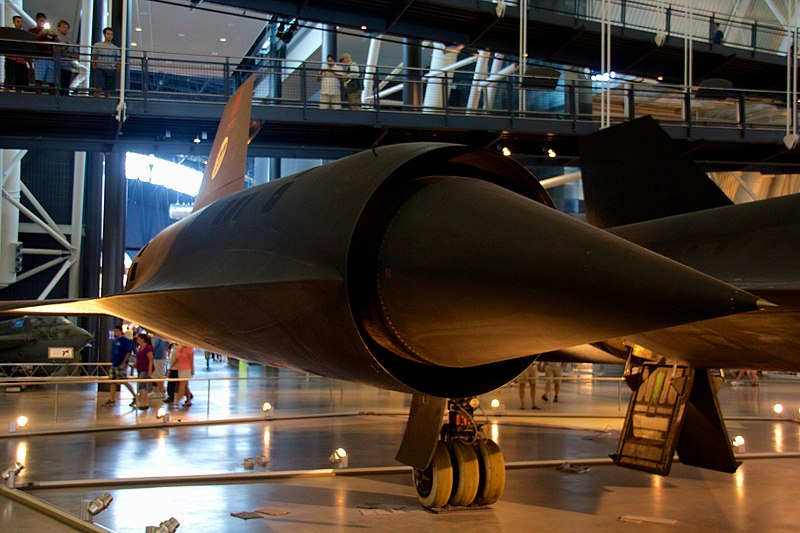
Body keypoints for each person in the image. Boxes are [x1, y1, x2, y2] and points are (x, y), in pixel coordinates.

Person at [104, 325, 137, 406]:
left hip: (121, 364)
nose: (115, 332)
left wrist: (123, 362)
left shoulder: (125, 340)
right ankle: (111, 398)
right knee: (112, 381)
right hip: (114, 363)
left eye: (116, 331)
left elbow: (128, 352)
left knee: (124, 381)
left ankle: (135, 396)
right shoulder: (115, 340)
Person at [29, 12, 59, 94]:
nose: (42, 23)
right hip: (40, 57)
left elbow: (57, 43)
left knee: (51, 81)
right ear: (37, 21)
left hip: (50, 58)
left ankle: (52, 97)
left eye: (44, 21)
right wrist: (42, 32)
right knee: (39, 79)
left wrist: (54, 35)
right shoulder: (32, 31)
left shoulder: (50, 33)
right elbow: (33, 40)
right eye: (41, 21)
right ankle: (38, 95)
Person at [3, 16, 30, 93]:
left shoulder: (24, 35)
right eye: (18, 21)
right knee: (8, 82)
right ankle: (4, 99)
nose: (20, 23)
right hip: (11, 60)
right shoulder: (9, 34)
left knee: (20, 84)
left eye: (21, 22)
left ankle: (19, 100)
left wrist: (29, 64)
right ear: (14, 22)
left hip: (22, 61)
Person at [92, 27, 119, 97]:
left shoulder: (116, 48)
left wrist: (117, 69)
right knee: (98, 87)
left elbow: (118, 60)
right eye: (108, 34)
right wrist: (94, 66)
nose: (110, 36)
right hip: (100, 68)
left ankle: (106, 104)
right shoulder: (97, 45)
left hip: (111, 69)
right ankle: (95, 103)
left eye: (111, 34)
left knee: (108, 90)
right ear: (104, 35)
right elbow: (94, 57)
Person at [55, 20, 76, 96]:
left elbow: (76, 54)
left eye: (67, 27)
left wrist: (68, 54)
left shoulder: (71, 41)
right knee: (57, 84)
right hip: (57, 66)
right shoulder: (55, 38)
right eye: (63, 27)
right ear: (59, 28)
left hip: (67, 67)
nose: (65, 29)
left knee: (65, 86)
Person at [133, 333, 154, 409]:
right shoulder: (140, 348)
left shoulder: (148, 348)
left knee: (142, 386)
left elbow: (150, 359)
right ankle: (145, 402)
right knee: (142, 386)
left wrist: (150, 370)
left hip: (145, 369)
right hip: (140, 368)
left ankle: (143, 403)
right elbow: (138, 358)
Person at [150, 335, 168, 399]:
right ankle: (156, 391)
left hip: (158, 358)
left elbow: (153, 346)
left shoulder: (159, 337)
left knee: (158, 376)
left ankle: (161, 392)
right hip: (157, 358)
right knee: (155, 375)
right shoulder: (156, 337)